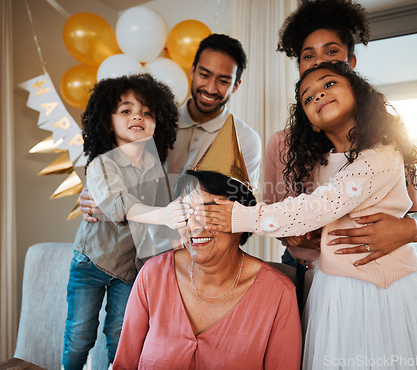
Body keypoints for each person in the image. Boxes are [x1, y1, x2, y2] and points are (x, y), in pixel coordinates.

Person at [201, 62, 417, 368]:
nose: (318, 95)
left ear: (358, 95)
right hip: (335, 288)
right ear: (312, 123)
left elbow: (317, 207)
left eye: (329, 85)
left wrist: (240, 217)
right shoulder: (324, 163)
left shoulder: (382, 155)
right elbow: (327, 212)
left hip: (382, 293)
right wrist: (314, 231)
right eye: (308, 97)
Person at [264, 0, 417, 310]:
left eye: (331, 52)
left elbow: (407, 207)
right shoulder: (280, 143)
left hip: (369, 270)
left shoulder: (384, 137)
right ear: (299, 69)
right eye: (309, 56)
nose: (319, 61)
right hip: (304, 270)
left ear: (351, 62)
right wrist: (291, 235)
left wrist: (410, 229)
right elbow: (272, 209)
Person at [62, 74, 191, 369]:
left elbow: (157, 231)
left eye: (147, 112)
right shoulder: (100, 164)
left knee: (121, 336)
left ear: (158, 123)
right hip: (91, 263)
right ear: (108, 122)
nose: (138, 117)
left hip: (130, 270)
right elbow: (120, 205)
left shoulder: (155, 169)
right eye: (126, 110)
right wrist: (164, 214)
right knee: (79, 335)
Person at [113, 170, 302, 369]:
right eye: (186, 213)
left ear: (240, 216)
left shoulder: (278, 293)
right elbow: (125, 365)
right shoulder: (153, 275)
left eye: (207, 213)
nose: (193, 226)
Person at [80, 33, 262, 222]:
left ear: (236, 85)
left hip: (201, 239)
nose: (210, 88)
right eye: (204, 75)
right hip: (146, 239)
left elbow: (241, 207)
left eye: (223, 81)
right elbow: (115, 168)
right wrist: (91, 194)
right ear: (192, 71)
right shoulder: (153, 123)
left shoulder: (245, 139)